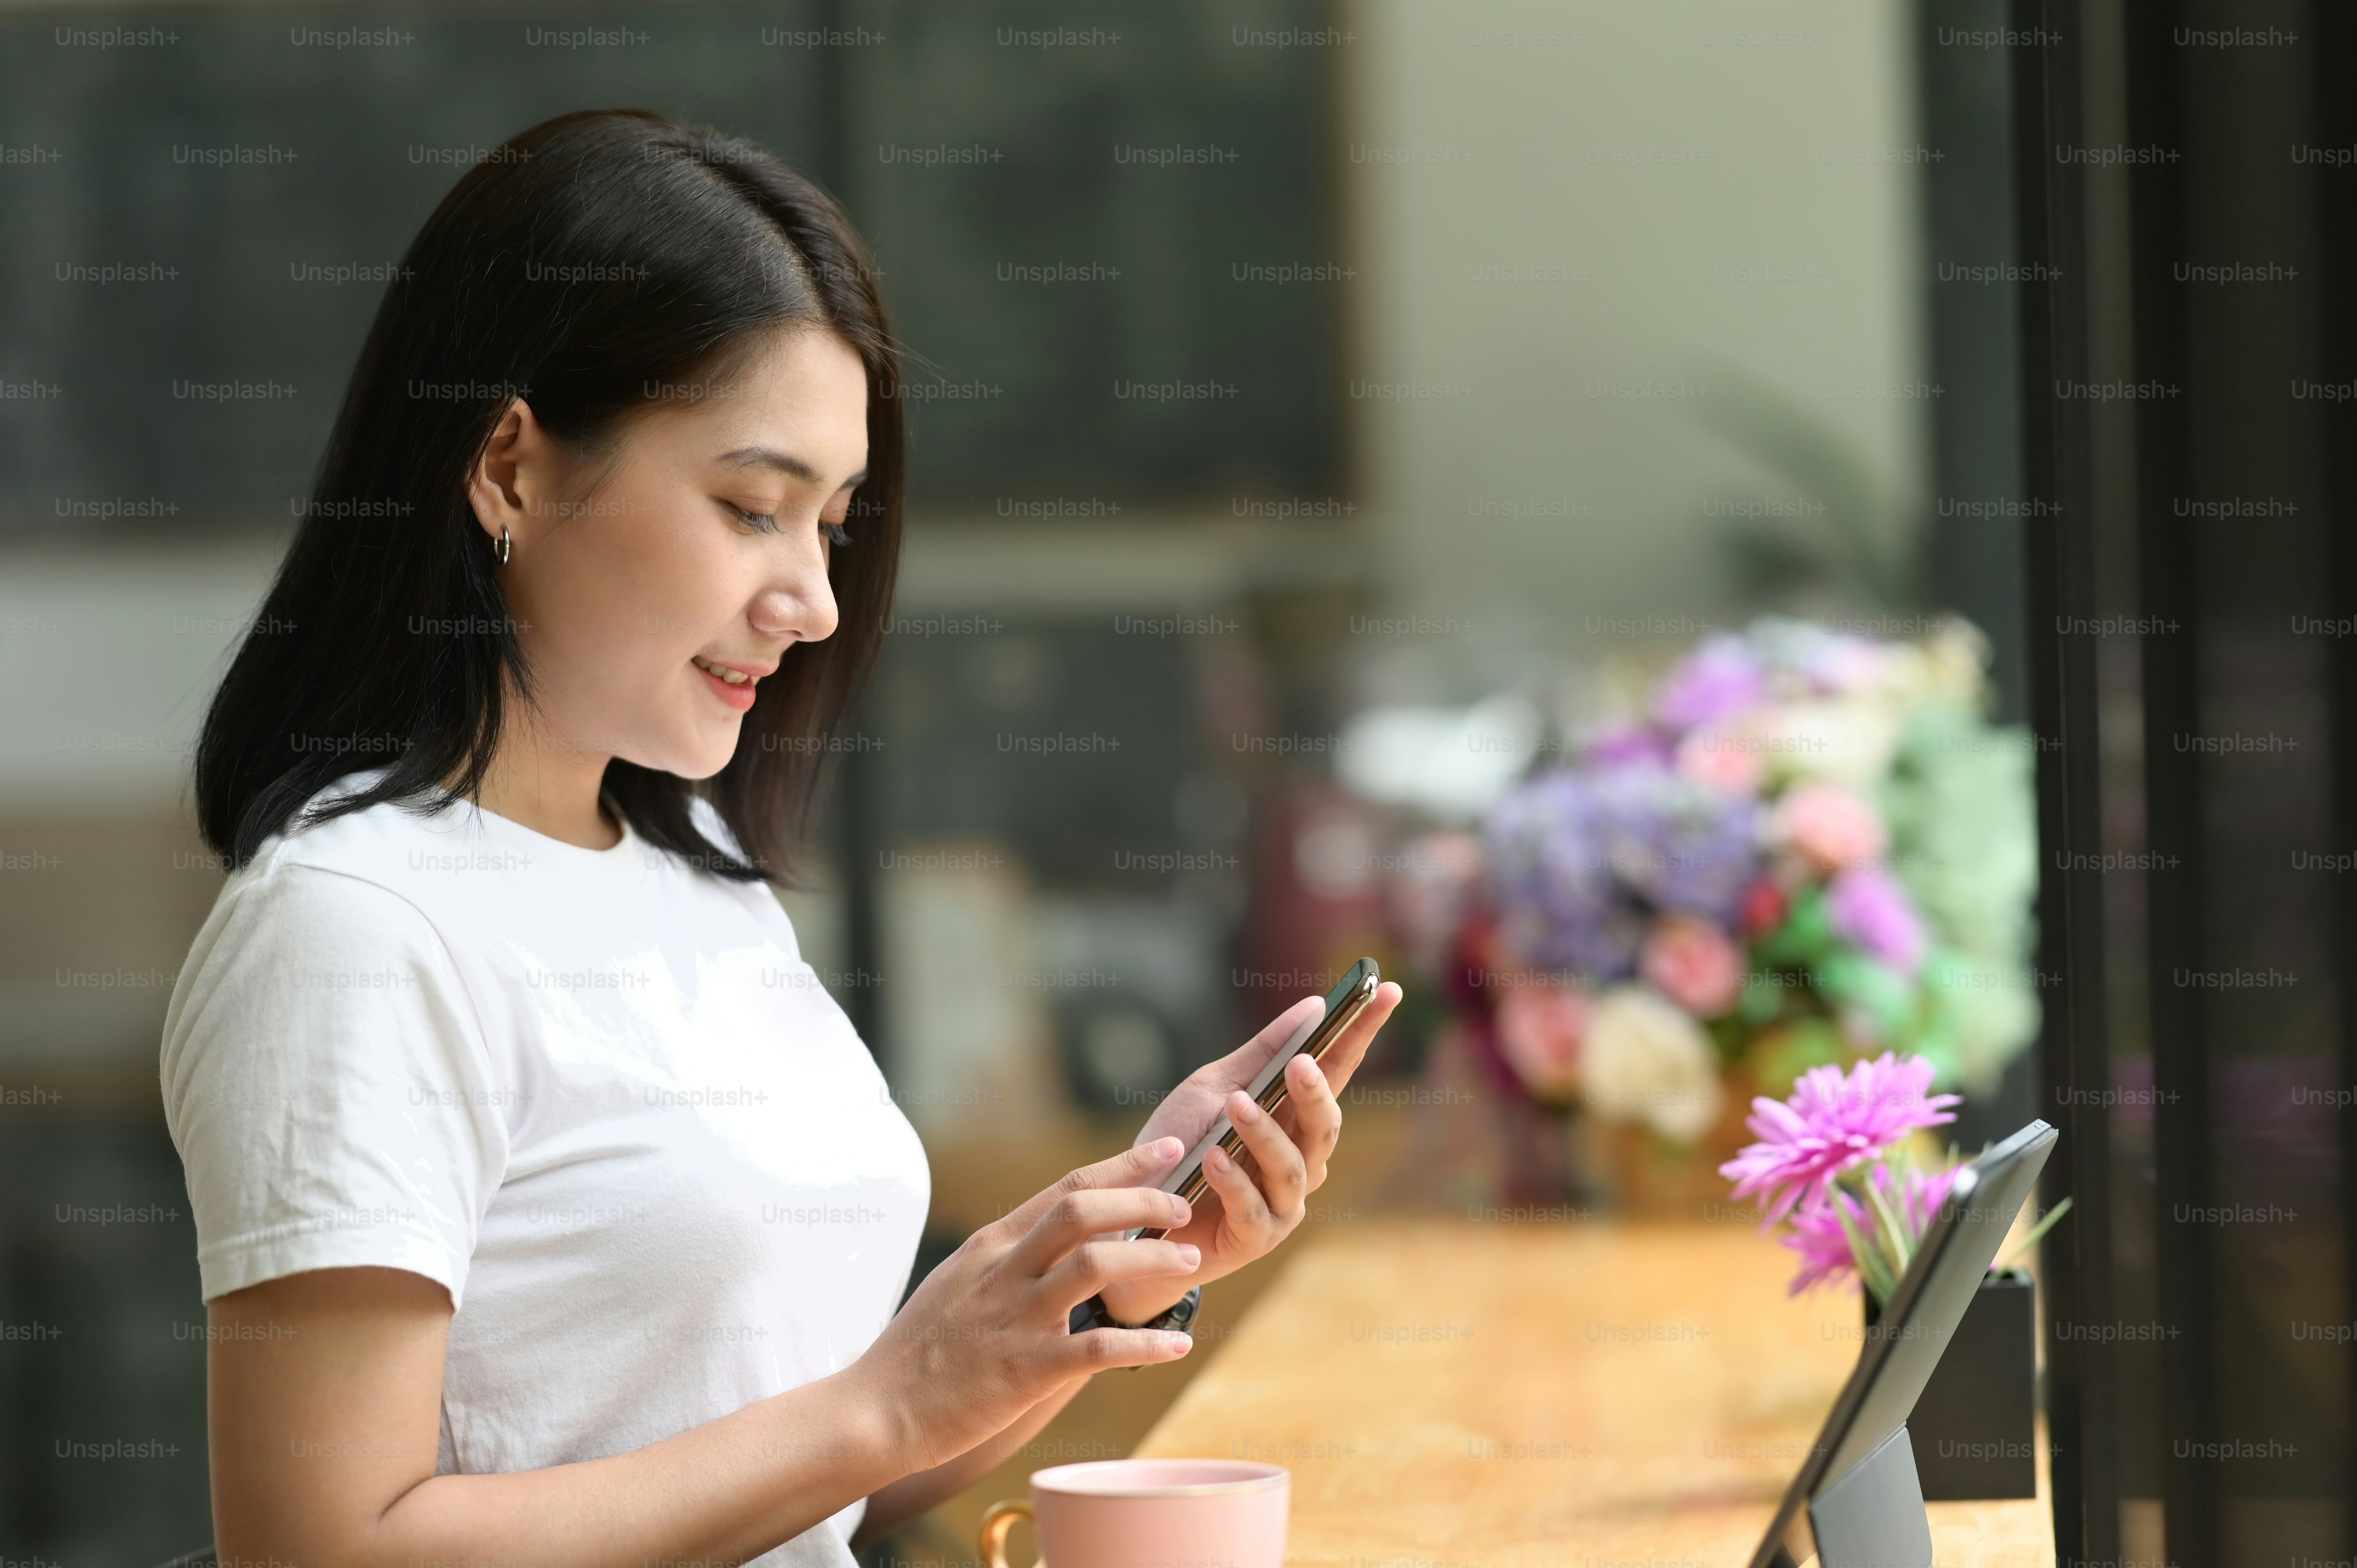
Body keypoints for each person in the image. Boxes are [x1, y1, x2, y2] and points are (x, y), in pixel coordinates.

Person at [164, 109, 1401, 1567]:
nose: (813, 598)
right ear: (508, 466)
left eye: (832, 523)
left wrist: (1098, 1281)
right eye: (753, 507)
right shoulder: (353, 928)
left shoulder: (696, 877)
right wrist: (889, 1402)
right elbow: (320, 1548)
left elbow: (809, 1488)